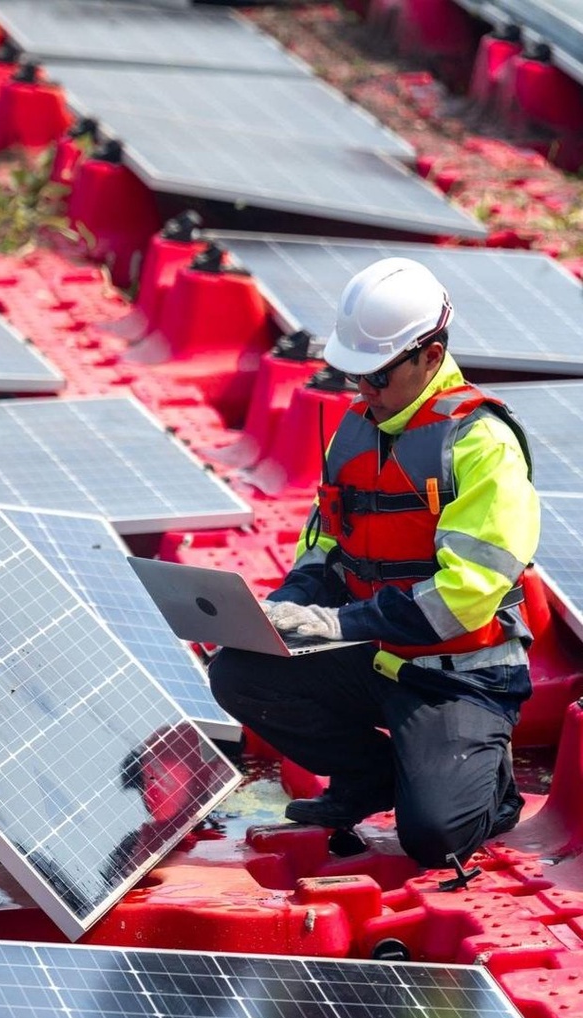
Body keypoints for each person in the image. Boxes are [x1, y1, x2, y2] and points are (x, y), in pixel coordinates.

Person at [209, 257, 540, 869]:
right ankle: (370, 776)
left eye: (378, 377)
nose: (364, 392)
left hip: (459, 674)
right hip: (374, 655)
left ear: (431, 356)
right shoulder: (356, 429)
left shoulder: (481, 445)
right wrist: (288, 608)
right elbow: (327, 545)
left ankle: (488, 787)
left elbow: (463, 598)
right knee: (238, 672)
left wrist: (340, 626)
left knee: (436, 839)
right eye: (354, 375)